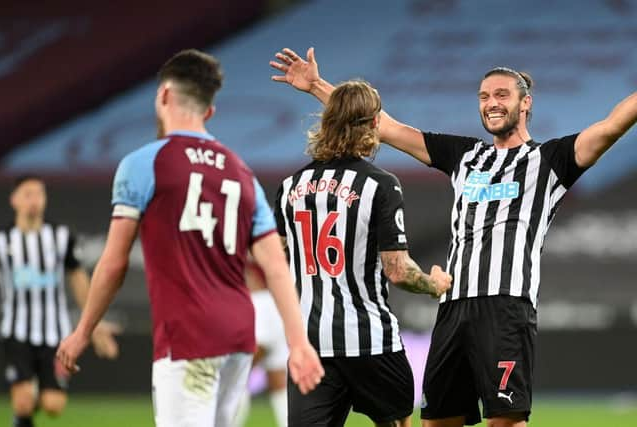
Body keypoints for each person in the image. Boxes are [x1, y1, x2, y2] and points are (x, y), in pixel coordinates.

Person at [269, 47, 637, 427]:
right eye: (484, 96)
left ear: (525, 103)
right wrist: (316, 86)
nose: (491, 103)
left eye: (501, 95)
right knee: (438, 420)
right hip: (452, 309)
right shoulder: (464, 155)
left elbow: (610, 126)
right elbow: (386, 126)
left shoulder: (550, 160)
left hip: (505, 308)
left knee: (505, 421)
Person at [56, 49, 324, 427]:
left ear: (163, 95)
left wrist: (83, 330)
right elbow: (276, 266)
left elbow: (114, 262)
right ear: (209, 112)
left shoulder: (143, 164)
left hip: (189, 338)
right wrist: (298, 344)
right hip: (239, 338)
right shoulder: (241, 171)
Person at [273, 79, 452, 427]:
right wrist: (435, 285)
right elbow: (398, 271)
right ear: (373, 125)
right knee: (397, 422)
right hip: (369, 339)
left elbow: (277, 261)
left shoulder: (288, 189)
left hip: (311, 343)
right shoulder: (380, 185)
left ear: (325, 123)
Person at [0, 175, 120, 427]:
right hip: (15, 331)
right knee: (22, 401)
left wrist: (94, 326)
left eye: (39, 194)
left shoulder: (61, 237)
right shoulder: (1, 242)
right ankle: (23, 410)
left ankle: (27, 408)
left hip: (54, 332)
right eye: (27, 194)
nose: (34, 201)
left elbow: (78, 279)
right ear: (14, 200)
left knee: (53, 405)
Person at [233, 257, 289, 427]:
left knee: (237, 373)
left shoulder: (250, 234)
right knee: (278, 377)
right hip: (281, 304)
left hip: (260, 302)